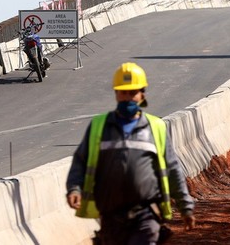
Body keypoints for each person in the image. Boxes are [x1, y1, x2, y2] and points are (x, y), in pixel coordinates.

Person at [66, 62, 196, 244]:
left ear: (142, 94)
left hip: (146, 214)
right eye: (123, 92)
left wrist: (185, 206)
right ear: (116, 94)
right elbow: (81, 161)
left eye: (133, 92)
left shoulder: (155, 127)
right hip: (111, 218)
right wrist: (74, 188)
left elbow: (172, 168)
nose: (128, 98)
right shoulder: (99, 127)